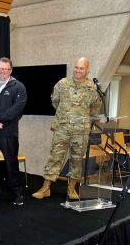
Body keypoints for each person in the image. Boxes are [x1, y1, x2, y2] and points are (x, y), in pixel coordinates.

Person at [32, 57, 102, 200]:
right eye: (76, 67)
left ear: (87, 70)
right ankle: (45, 188)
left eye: (81, 68)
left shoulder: (92, 88)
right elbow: (55, 101)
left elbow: (95, 109)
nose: (78, 70)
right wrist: (66, 114)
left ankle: (71, 189)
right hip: (62, 128)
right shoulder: (62, 84)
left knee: (76, 159)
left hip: (81, 131)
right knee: (55, 157)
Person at [0, 57, 27, 205]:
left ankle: (16, 193)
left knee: (11, 164)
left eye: (5, 69)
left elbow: (17, 108)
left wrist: (0, 119)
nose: (2, 71)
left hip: (9, 132)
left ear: (10, 70)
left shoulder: (18, 87)